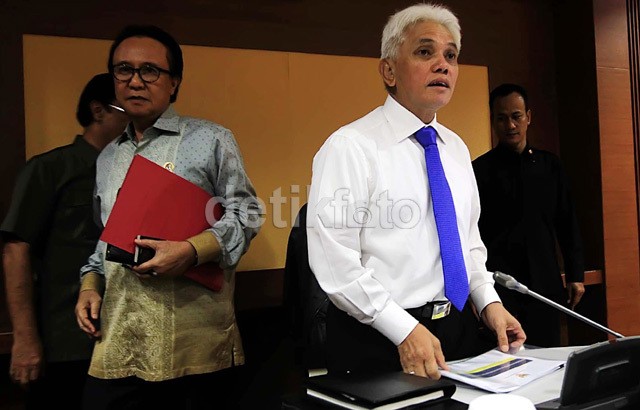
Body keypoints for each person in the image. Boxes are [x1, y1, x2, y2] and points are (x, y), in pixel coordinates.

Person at [306, 3, 526, 381]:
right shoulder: (350, 147)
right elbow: (336, 265)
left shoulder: (455, 148)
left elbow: (468, 245)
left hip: (456, 330)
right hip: (379, 336)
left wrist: (489, 302)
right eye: (425, 52)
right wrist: (403, 329)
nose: (443, 65)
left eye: (451, 56)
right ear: (389, 70)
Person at [73, 25, 262, 410]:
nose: (135, 81)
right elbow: (105, 237)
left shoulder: (211, 139)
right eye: (123, 70)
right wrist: (89, 285)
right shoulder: (108, 156)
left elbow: (248, 212)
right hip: (119, 337)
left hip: (192, 344)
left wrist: (191, 251)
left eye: (150, 71)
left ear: (173, 82)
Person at [1, 73, 128, 410]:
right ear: (98, 111)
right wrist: (25, 339)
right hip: (65, 340)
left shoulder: (135, 174)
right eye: (126, 112)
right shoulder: (51, 169)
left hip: (125, 338)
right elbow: (15, 251)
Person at [472, 83, 585, 347]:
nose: (510, 125)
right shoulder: (478, 171)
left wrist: (575, 274)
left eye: (516, 116)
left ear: (528, 117)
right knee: (505, 356)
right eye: (501, 118)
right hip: (500, 287)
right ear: (493, 121)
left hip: (544, 283)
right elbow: (470, 233)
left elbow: (567, 222)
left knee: (549, 353)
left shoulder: (550, 166)